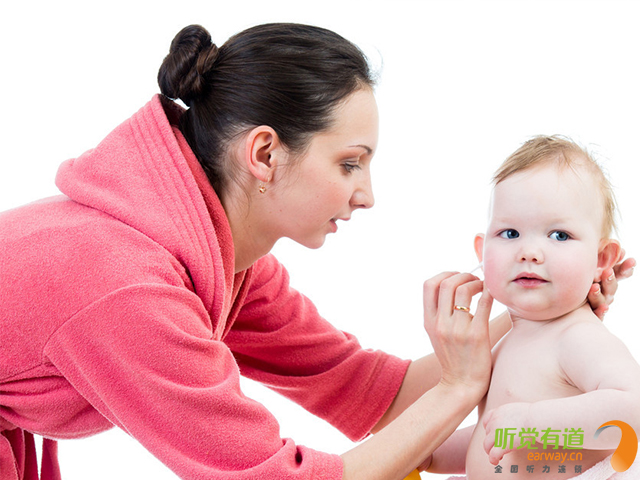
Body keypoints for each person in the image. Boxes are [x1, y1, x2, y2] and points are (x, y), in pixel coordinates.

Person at [0, 23, 630, 480]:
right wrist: (460, 385)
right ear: (265, 153)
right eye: (350, 163)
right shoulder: (126, 286)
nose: (367, 195)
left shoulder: (224, 261)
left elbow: (368, 394)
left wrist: (534, 316)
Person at [426, 136, 640, 480]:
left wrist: (531, 421)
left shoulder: (577, 337)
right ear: (482, 251)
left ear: (601, 259)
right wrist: (431, 453)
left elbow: (631, 413)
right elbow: (492, 435)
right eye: (510, 233)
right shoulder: (506, 343)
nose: (529, 252)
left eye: (559, 235)